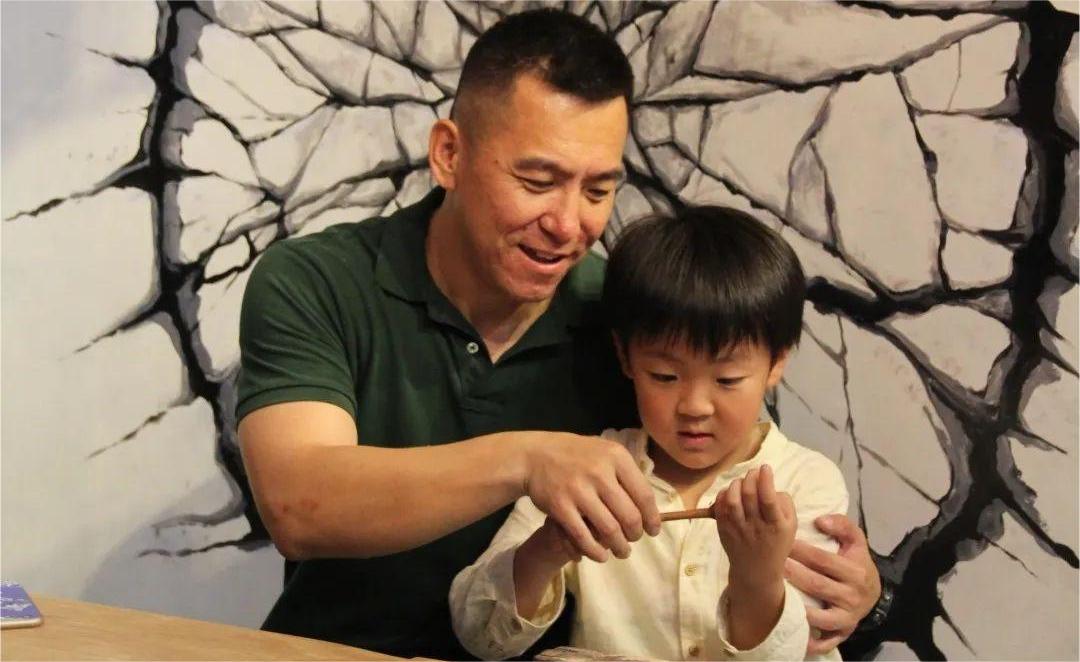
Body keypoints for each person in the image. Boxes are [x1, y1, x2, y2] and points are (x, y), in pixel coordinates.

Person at [235, 8, 881, 660]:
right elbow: (299, 505)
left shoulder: (630, 313)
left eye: (598, 190)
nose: (568, 224)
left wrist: (854, 589)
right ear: (449, 154)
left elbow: (736, 458)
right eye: (537, 182)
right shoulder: (317, 281)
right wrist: (529, 463)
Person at [450, 207, 847, 661]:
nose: (695, 406)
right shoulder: (586, 470)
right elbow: (479, 634)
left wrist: (758, 578)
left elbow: (803, 649)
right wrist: (548, 547)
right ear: (625, 357)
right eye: (664, 376)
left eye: (727, 380)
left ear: (777, 363)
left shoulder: (806, 483)